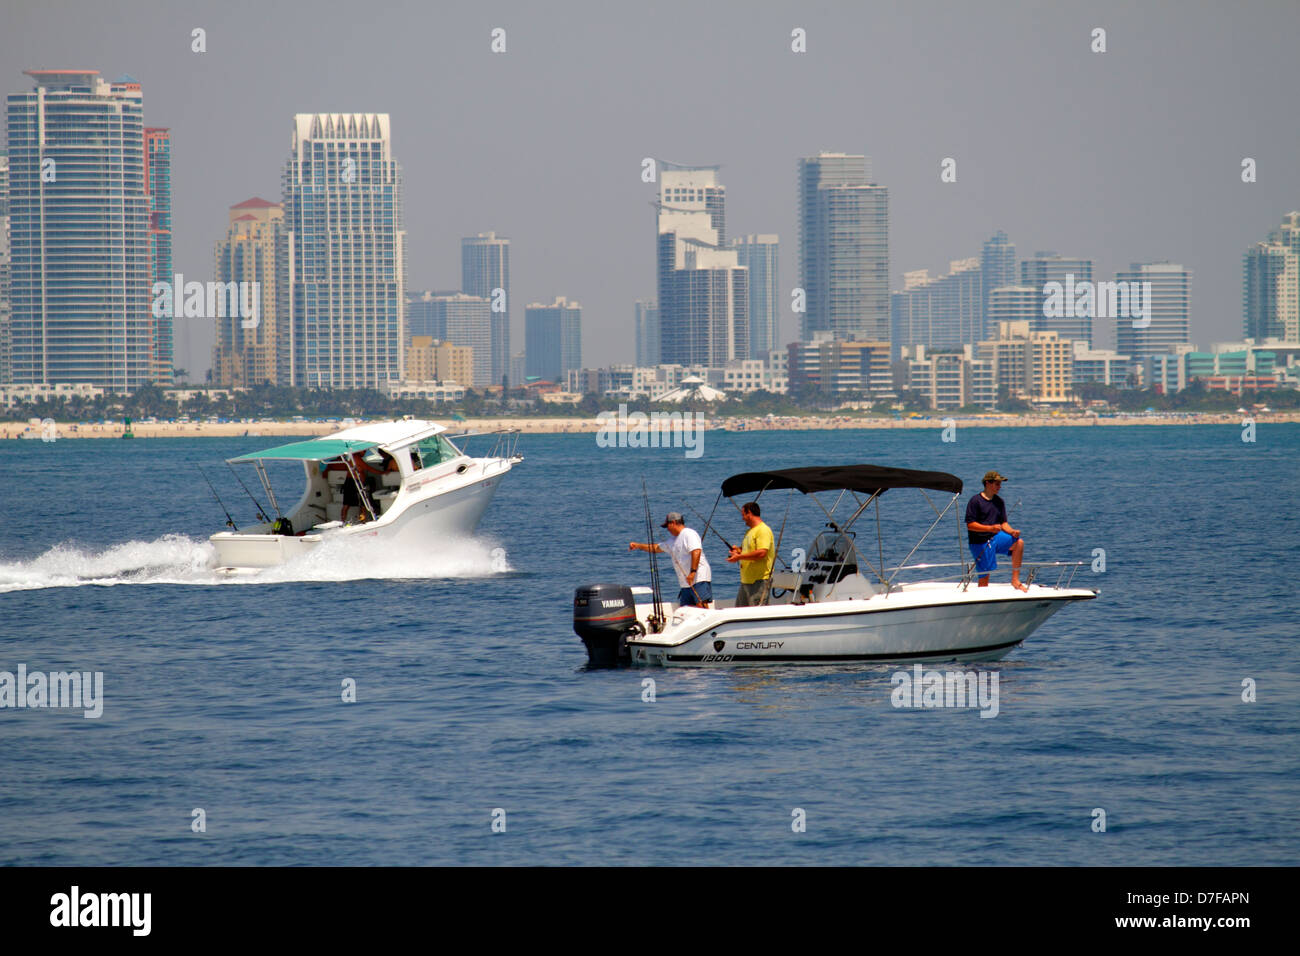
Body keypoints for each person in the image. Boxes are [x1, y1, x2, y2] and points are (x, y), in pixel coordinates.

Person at [629, 512, 712, 608]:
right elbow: (656, 548)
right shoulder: (672, 541)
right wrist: (638, 545)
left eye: (667, 526)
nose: (667, 529)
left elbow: (696, 551)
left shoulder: (689, 534)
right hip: (685, 583)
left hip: (698, 577)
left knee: (701, 605)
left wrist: (693, 572)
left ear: (673, 523)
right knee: (686, 609)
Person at [965, 470, 1027, 591]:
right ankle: (982, 598)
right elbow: (970, 525)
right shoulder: (975, 501)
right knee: (985, 575)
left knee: (1019, 543)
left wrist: (1012, 531)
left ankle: (1015, 580)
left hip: (996, 537)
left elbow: (1003, 523)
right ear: (988, 483)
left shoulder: (999, 501)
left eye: (1000, 484)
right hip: (980, 542)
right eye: (997, 484)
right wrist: (990, 528)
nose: (999, 487)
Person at [728, 501, 775, 607]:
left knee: (756, 614)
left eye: (743, 514)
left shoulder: (763, 530)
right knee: (739, 612)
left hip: (758, 582)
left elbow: (762, 553)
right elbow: (748, 550)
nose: (742, 518)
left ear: (749, 513)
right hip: (746, 581)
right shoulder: (749, 532)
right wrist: (738, 550)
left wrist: (739, 557)